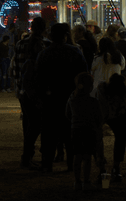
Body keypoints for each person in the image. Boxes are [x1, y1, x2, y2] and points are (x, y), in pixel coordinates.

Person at [35, 23, 88, 173]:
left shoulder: (44, 54)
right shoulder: (75, 52)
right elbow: (84, 74)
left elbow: (38, 78)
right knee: (70, 133)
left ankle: (47, 164)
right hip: (70, 97)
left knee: (49, 133)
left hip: (50, 98)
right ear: (65, 36)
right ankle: (72, 164)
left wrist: (41, 97)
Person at [11, 16, 49, 170]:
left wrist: (19, 86)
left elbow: (15, 68)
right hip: (40, 91)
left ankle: (27, 154)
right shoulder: (46, 45)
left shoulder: (20, 44)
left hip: (24, 90)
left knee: (27, 123)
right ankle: (39, 155)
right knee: (40, 124)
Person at [93, 73, 126, 182]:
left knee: (99, 139)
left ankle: (103, 169)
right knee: (120, 137)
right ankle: (115, 167)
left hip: (109, 115)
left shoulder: (102, 92)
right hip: (114, 115)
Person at [65, 72, 105, 190]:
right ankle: (86, 181)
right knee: (87, 157)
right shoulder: (93, 102)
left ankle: (77, 181)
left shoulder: (72, 100)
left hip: (76, 130)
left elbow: (67, 114)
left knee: (77, 157)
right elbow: (99, 118)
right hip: (89, 131)